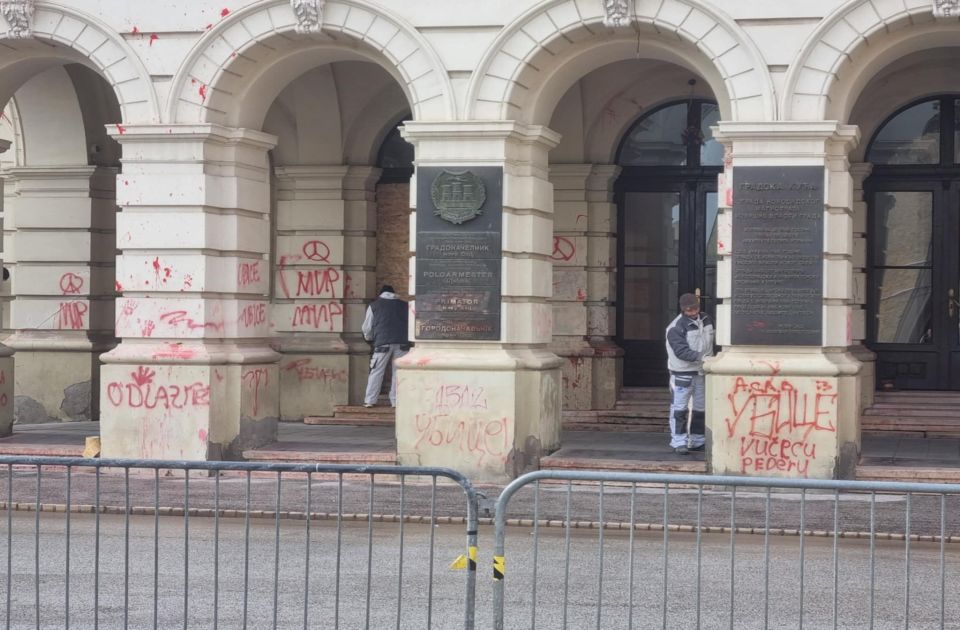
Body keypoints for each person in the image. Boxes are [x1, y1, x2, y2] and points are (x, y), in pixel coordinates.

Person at [665, 293, 714, 455]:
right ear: (683, 310)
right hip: (682, 374)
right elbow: (681, 351)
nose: (693, 312)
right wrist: (704, 358)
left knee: (700, 408)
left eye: (695, 309)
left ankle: (697, 440)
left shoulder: (706, 319)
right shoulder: (675, 327)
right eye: (689, 310)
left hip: (701, 371)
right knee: (679, 409)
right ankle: (678, 441)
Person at [361, 285, 409, 408]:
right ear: (394, 293)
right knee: (398, 372)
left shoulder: (374, 305)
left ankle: (370, 400)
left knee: (376, 372)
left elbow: (367, 328)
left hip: (382, 343)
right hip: (402, 343)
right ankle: (396, 401)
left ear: (380, 294)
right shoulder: (405, 305)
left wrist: (369, 338)